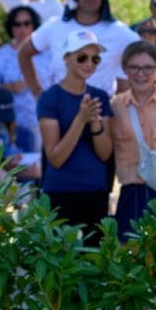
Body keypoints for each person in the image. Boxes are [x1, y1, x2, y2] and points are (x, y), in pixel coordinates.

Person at [110, 40, 156, 306]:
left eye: (147, 68)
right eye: (134, 67)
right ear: (125, 69)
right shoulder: (116, 105)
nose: (141, 74)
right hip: (131, 192)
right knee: (129, 267)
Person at [37, 30, 113, 246]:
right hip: (60, 192)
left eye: (95, 58)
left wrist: (95, 122)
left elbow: (105, 153)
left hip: (95, 191)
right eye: (82, 57)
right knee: (62, 268)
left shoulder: (100, 97)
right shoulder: (50, 97)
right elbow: (56, 158)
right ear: (66, 59)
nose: (89, 63)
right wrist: (81, 119)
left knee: (93, 266)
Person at [19, 0, 140, 98]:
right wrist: (38, 93)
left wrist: (124, 100)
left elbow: (146, 58)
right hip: (60, 111)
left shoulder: (119, 32)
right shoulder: (55, 26)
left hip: (101, 111)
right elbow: (24, 53)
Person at [0, 6, 47, 153]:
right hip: (10, 126)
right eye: (17, 24)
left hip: (42, 124)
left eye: (27, 23)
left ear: (34, 25)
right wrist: (10, 87)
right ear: (11, 27)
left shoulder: (47, 54)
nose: (22, 28)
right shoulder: (1, 54)